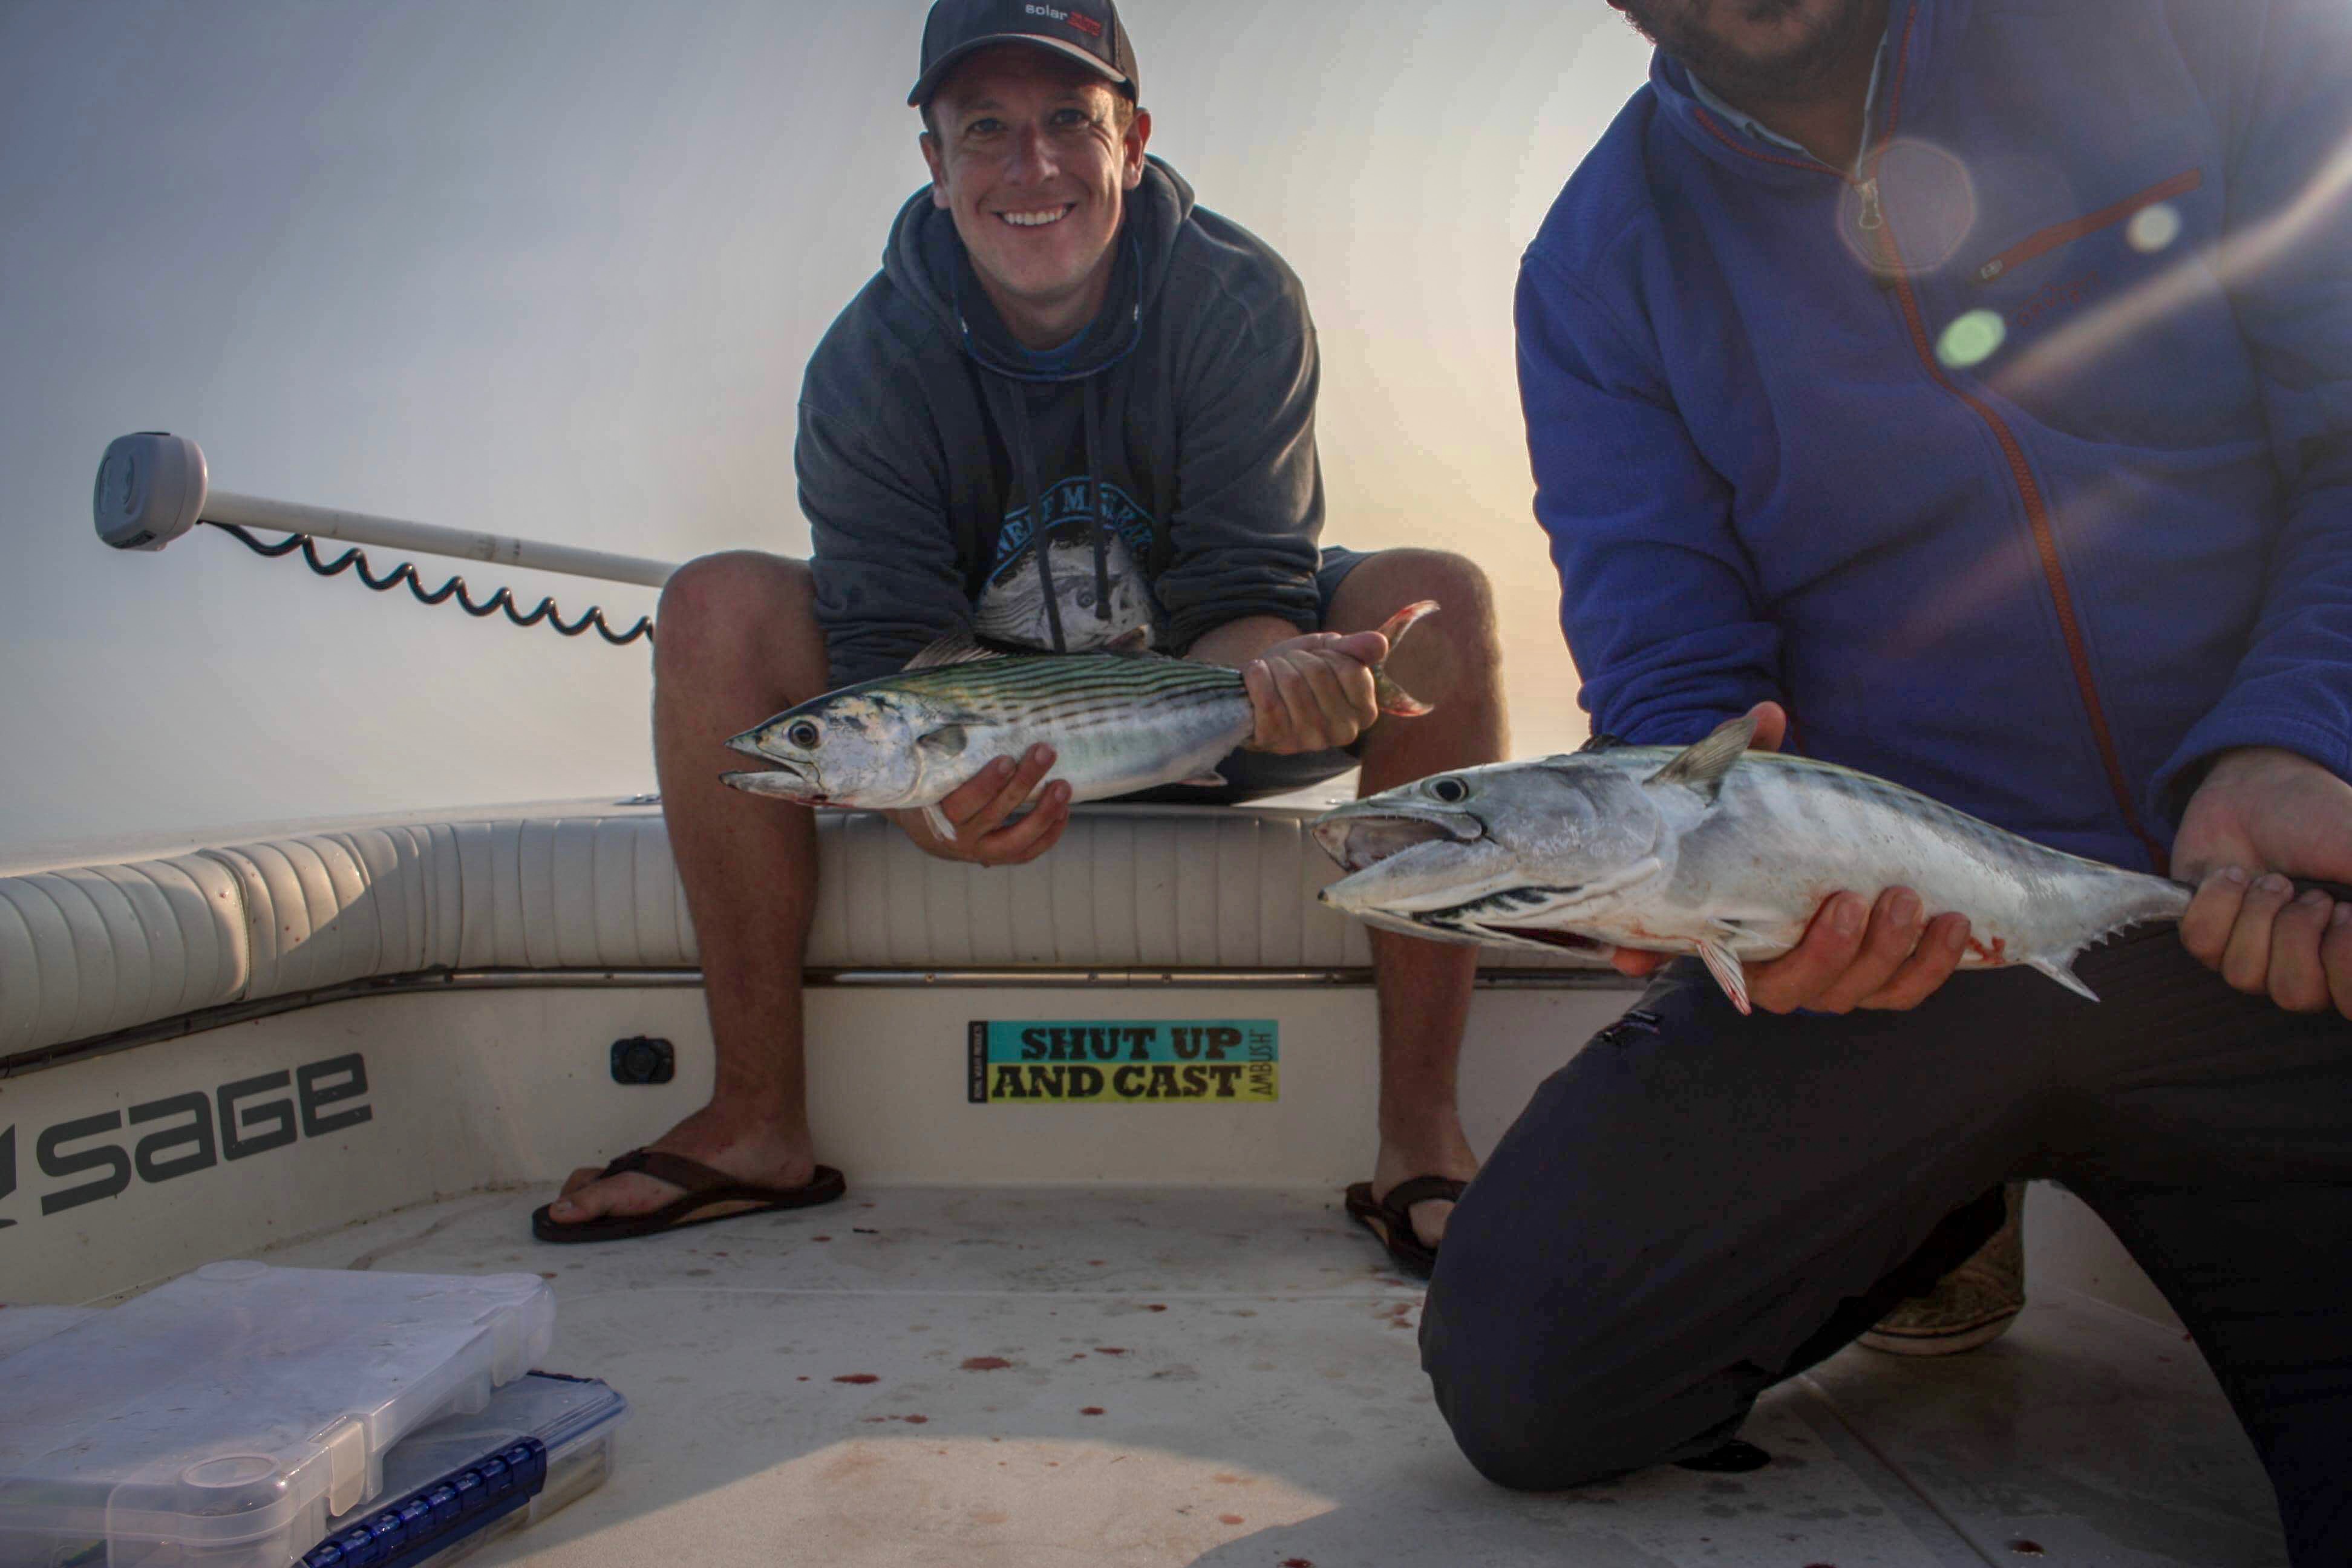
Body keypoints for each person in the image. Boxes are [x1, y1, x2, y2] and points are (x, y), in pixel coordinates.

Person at [1421, 0, 2352, 1559]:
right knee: (1532, 1378)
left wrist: (2301, 735)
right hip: (1895, 966)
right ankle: (1941, 1198)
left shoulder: (2204, 33)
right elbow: (1673, 677)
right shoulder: (1596, 266)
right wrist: (1747, 916)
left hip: (2256, 914)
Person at [532, 0, 1508, 1276]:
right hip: (968, 733)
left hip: (1216, 697)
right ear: (934, 165)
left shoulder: (1237, 295)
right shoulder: (866, 362)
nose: (1031, 167)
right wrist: (927, 806)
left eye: (1068, 121)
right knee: (715, 600)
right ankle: (760, 1117)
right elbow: (893, 650)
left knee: (1443, 591)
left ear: (1134, 141)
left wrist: (1279, 684)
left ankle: (1421, 1138)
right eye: (984, 128)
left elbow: (1246, 584)